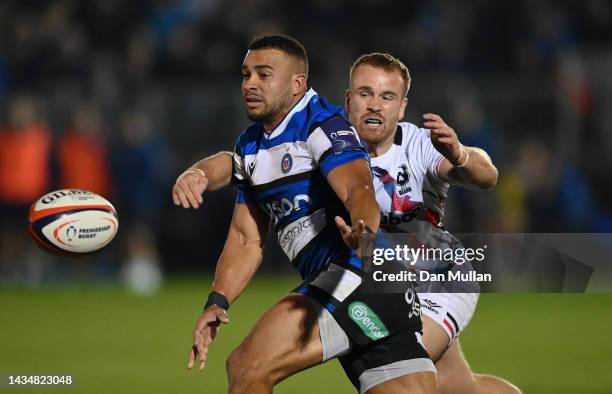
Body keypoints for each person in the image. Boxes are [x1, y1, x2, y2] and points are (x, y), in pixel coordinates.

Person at [175, 52, 522, 394]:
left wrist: (461, 154)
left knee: (391, 356)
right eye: (365, 94)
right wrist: (202, 172)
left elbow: (486, 175)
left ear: (401, 108)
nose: (374, 105)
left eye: (387, 97)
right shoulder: (329, 138)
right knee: (459, 388)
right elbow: (245, 165)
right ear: (348, 99)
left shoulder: (417, 143)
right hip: (375, 273)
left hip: (438, 278)